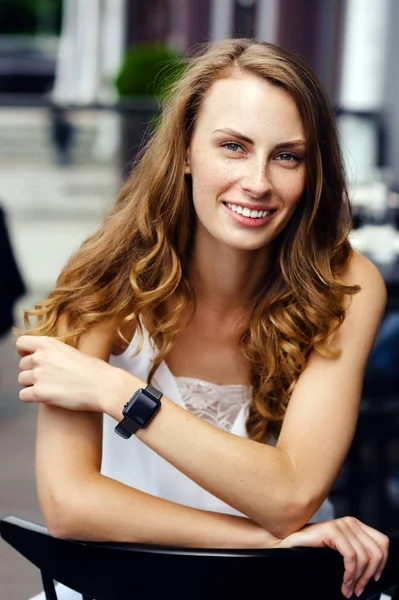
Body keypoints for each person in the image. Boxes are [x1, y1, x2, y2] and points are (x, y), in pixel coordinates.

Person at [16, 39, 389, 600]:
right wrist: (266, 543)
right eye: (233, 147)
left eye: (287, 155)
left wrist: (119, 392)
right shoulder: (105, 279)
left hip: (279, 583)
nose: (258, 181)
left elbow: (290, 496)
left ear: (312, 171)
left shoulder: (345, 286)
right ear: (186, 151)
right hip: (127, 581)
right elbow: (70, 506)